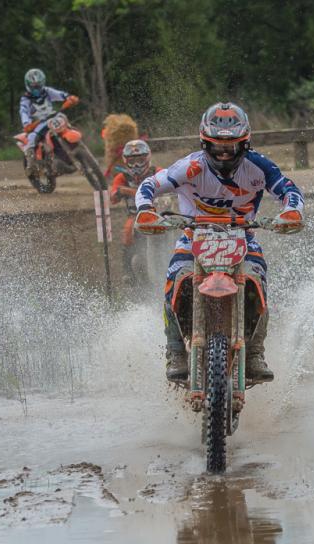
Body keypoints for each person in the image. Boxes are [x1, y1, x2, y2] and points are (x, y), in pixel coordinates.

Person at [133, 102, 303, 382]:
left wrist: (292, 211)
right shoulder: (190, 166)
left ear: (244, 144)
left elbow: (288, 189)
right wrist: (145, 210)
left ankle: (256, 351)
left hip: (243, 237)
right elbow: (149, 184)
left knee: (257, 282)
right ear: (204, 144)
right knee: (173, 282)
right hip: (193, 235)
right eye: (217, 146)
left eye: (232, 147)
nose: (224, 153)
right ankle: (175, 351)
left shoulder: (258, 166)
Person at [18, 68, 78, 178]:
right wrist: (26, 124)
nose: (36, 89)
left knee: (64, 119)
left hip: (52, 117)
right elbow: (23, 112)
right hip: (37, 123)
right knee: (31, 139)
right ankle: (31, 166)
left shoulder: (47, 91)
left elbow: (60, 94)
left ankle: (74, 144)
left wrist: (69, 97)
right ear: (28, 85)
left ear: (43, 83)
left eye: (38, 86)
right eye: (34, 86)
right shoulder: (25, 99)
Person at [110, 139, 161, 248]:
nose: (136, 165)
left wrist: (128, 191)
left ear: (147, 158)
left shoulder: (157, 172)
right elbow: (113, 199)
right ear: (126, 161)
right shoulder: (123, 177)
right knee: (127, 233)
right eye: (132, 161)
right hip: (135, 215)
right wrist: (118, 192)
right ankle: (128, 261)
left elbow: (172, 188)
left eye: (140, 160)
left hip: (159, 213)